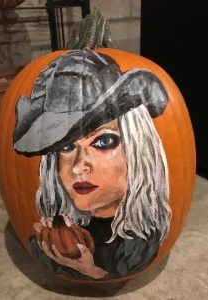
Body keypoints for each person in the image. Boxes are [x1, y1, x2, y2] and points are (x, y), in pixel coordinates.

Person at [13, 49, 172, 281]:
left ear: (138, 150)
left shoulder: (141, 243)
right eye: (66, 147)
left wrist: (92, 271)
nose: (78, 167)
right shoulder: (54, 238)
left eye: (104, 141)